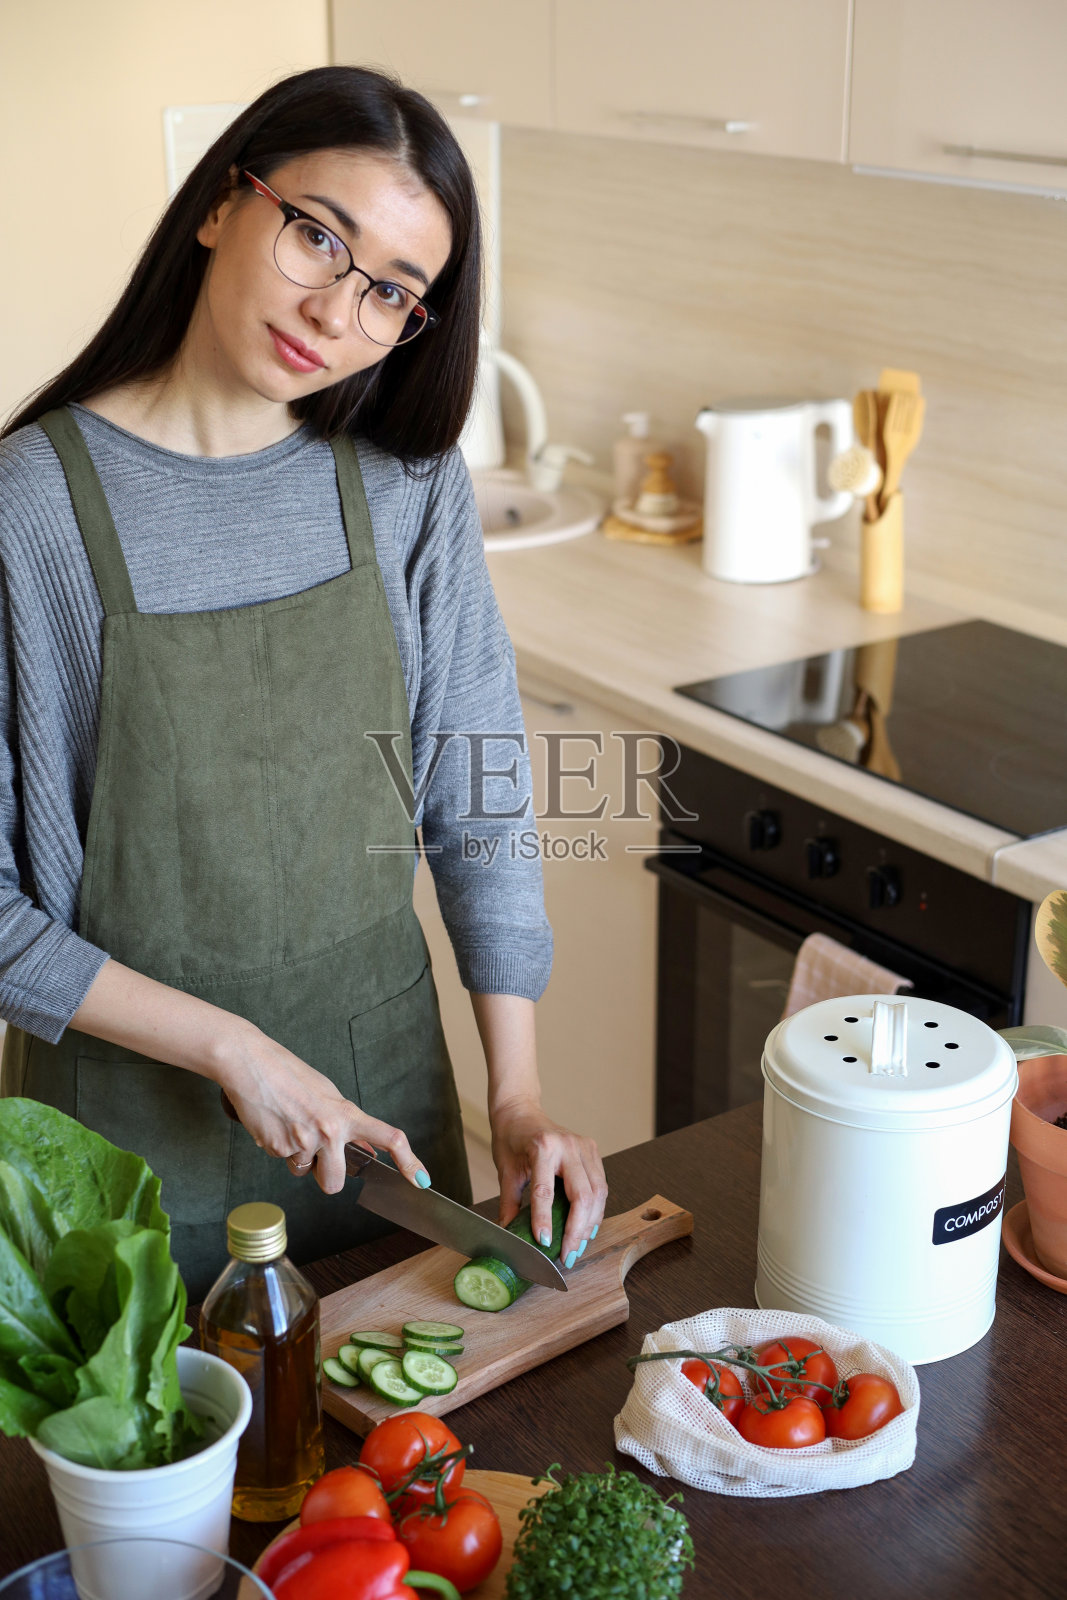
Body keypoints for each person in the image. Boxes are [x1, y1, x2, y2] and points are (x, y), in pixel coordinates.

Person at [0, 65, 606, 1299]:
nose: (334, 312)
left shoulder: (405, 485)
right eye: (318, 237)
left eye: (390, 291)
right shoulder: (30, 509)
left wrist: (516, 1095)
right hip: (118, 1148)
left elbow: (478, 794)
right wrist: (231, 1048)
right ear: (223, 203)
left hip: (381, 1123)